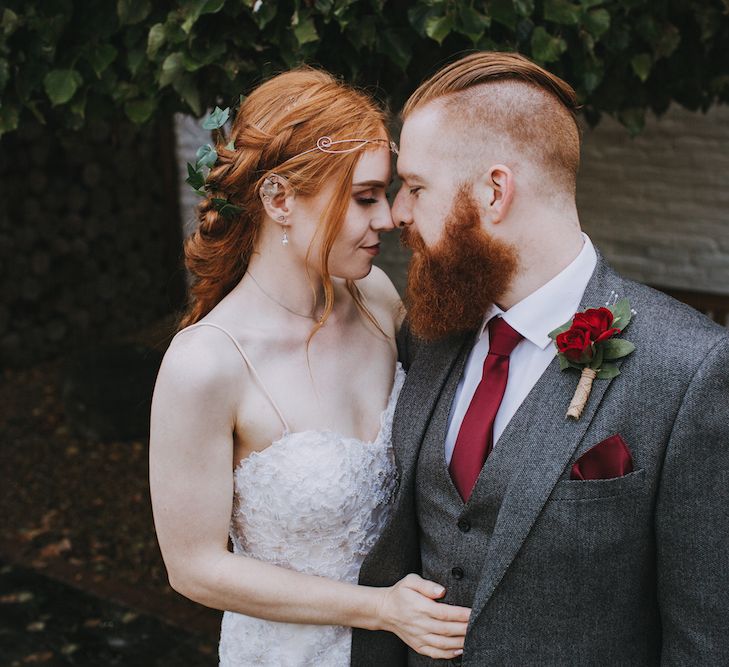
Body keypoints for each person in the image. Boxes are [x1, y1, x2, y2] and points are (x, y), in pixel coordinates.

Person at [352, 52, 729, 666]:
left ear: (495, 191)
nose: (397, 212)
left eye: (417, 187)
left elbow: (706, 641)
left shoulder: (690, 370)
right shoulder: (430, 336)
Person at [149, 68, 470, 666]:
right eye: (364, 197)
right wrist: (379, 609)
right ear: (278, 199)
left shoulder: (376, 297)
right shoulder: (206, 364)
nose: (387, 219)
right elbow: (194, 569)